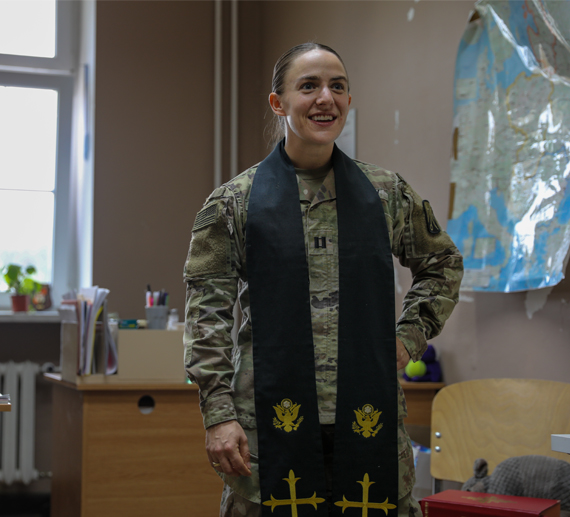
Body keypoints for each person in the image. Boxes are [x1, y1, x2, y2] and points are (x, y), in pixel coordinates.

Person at [183, 42, 463, 517]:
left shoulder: (386, 194)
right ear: (279, 103)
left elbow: (443, 263)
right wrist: (219, 415)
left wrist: (408, 338)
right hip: (266, 426)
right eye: (309, 86)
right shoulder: (234, 203)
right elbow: (206, 315)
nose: (325, 98)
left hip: (370, 417)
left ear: (349, 101)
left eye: (338, 86)